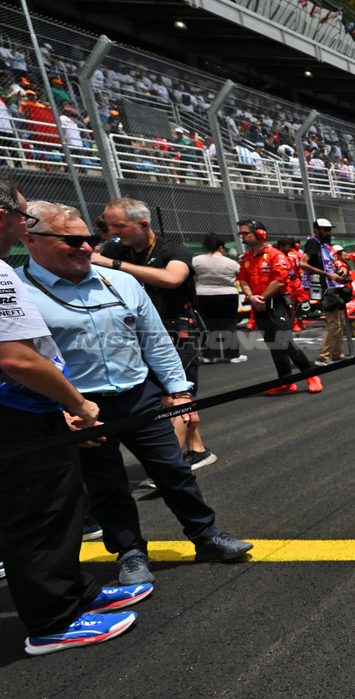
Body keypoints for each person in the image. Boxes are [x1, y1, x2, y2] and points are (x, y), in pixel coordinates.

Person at [21, 200, 252, 585]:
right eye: (72, 241)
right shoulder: (18, 291)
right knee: (106, 486)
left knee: (174, 472)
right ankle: (129, 553)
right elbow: (16, 361)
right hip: (81, 409)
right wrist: (58, 410)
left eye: (89, 240)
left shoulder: (122, 281)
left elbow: (156, 342)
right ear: (31, 240)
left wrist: (180, 393)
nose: (86, 248)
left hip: (139, 396)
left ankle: (206, 535)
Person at [0, 180, 149, 655]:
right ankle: (54, 620)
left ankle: (75, 591)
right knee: (39, 516)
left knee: (62, 507)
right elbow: (18, 358)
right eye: (22, 218)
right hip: (18, 411)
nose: (22, 226)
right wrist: (77, 403)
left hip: (28, 408)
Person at [94, 197, 211, 470]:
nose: (113, 232)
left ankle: (169, 467)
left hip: (178, 329)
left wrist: (112, 264)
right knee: (162, 397)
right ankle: (198, 449)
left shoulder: (173, 249)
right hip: (135, 331)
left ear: (143, 224)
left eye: (119, 226)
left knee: (176, 395)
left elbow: (172, 279)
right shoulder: (113, 248)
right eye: (109, 226)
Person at [236, 220, 323, 394]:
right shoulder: (244, 258)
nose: (242, 236)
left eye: (246, 233)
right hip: (258, 304)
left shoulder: (276, 255)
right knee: (273, 344)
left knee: (285, 342)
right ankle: (286, 381)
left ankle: (312, 376)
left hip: (278, 304)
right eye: (241, 233)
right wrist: (251, 296)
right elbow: (243, 280)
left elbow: (280, 280)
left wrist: (261, 298)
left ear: (260, 234)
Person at [298, 219, 349, 366]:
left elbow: (328, 265)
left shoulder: (325, 246)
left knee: (339, 322)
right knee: (333, 323)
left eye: (329, 229)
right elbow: (302, 263)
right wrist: (327, 275)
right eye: (325, 230)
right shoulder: (313, 242)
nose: (329, 232)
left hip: (332, 285)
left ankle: (337, 354)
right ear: (316, 230)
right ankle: (322, 356)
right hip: (324, 286)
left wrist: (339, 270)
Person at [193, 233, 244, 366]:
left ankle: (209, 356)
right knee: (229, 325)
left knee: (207, 326)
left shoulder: (196, 260)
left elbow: (193, 278)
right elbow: (241, 275)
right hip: (227, 295)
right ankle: (232, 355)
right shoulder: (230, 262)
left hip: (203, 294)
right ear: (221, 247)